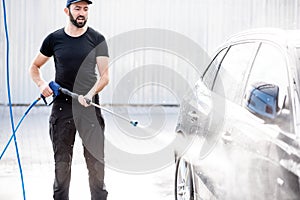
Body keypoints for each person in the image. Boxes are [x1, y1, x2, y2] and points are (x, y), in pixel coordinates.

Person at [29, 0, 109, 199]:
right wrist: (41, 85)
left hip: (89, 108)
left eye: (85, 9)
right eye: (77, 8)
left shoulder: (97, 39)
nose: (82, 13)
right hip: (62, 109)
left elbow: (105, 76)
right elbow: (34, 67)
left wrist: (90, 95)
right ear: (67, 10)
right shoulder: (54, 39)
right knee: (62, 166)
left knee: (96, 165)